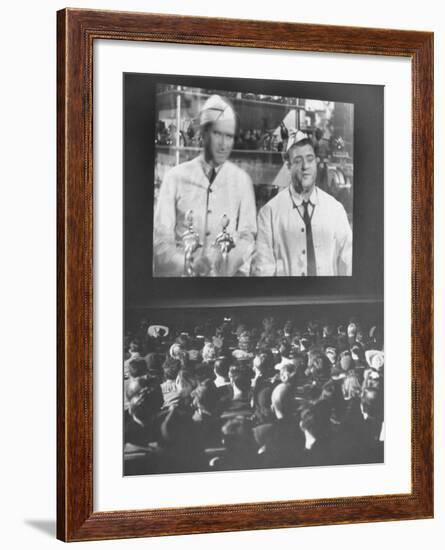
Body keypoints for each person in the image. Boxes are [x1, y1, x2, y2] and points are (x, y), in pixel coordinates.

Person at [153, 94, 257, 277]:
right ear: (204, 133)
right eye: (217, 134)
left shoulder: (242, 181)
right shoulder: (175, 178)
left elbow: (247, 236)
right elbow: (161, 242)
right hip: (182, 286)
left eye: (229, 136)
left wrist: (229, 263)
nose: (224, 144)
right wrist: (187, 263)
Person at [252, 130, 352, 276]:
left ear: (316, 162)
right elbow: (262, 271)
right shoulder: (269, 213)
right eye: (298, 161)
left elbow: (350, 261)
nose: (305, 166)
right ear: (288, 166)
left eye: (310, 159)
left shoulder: (335, 210)